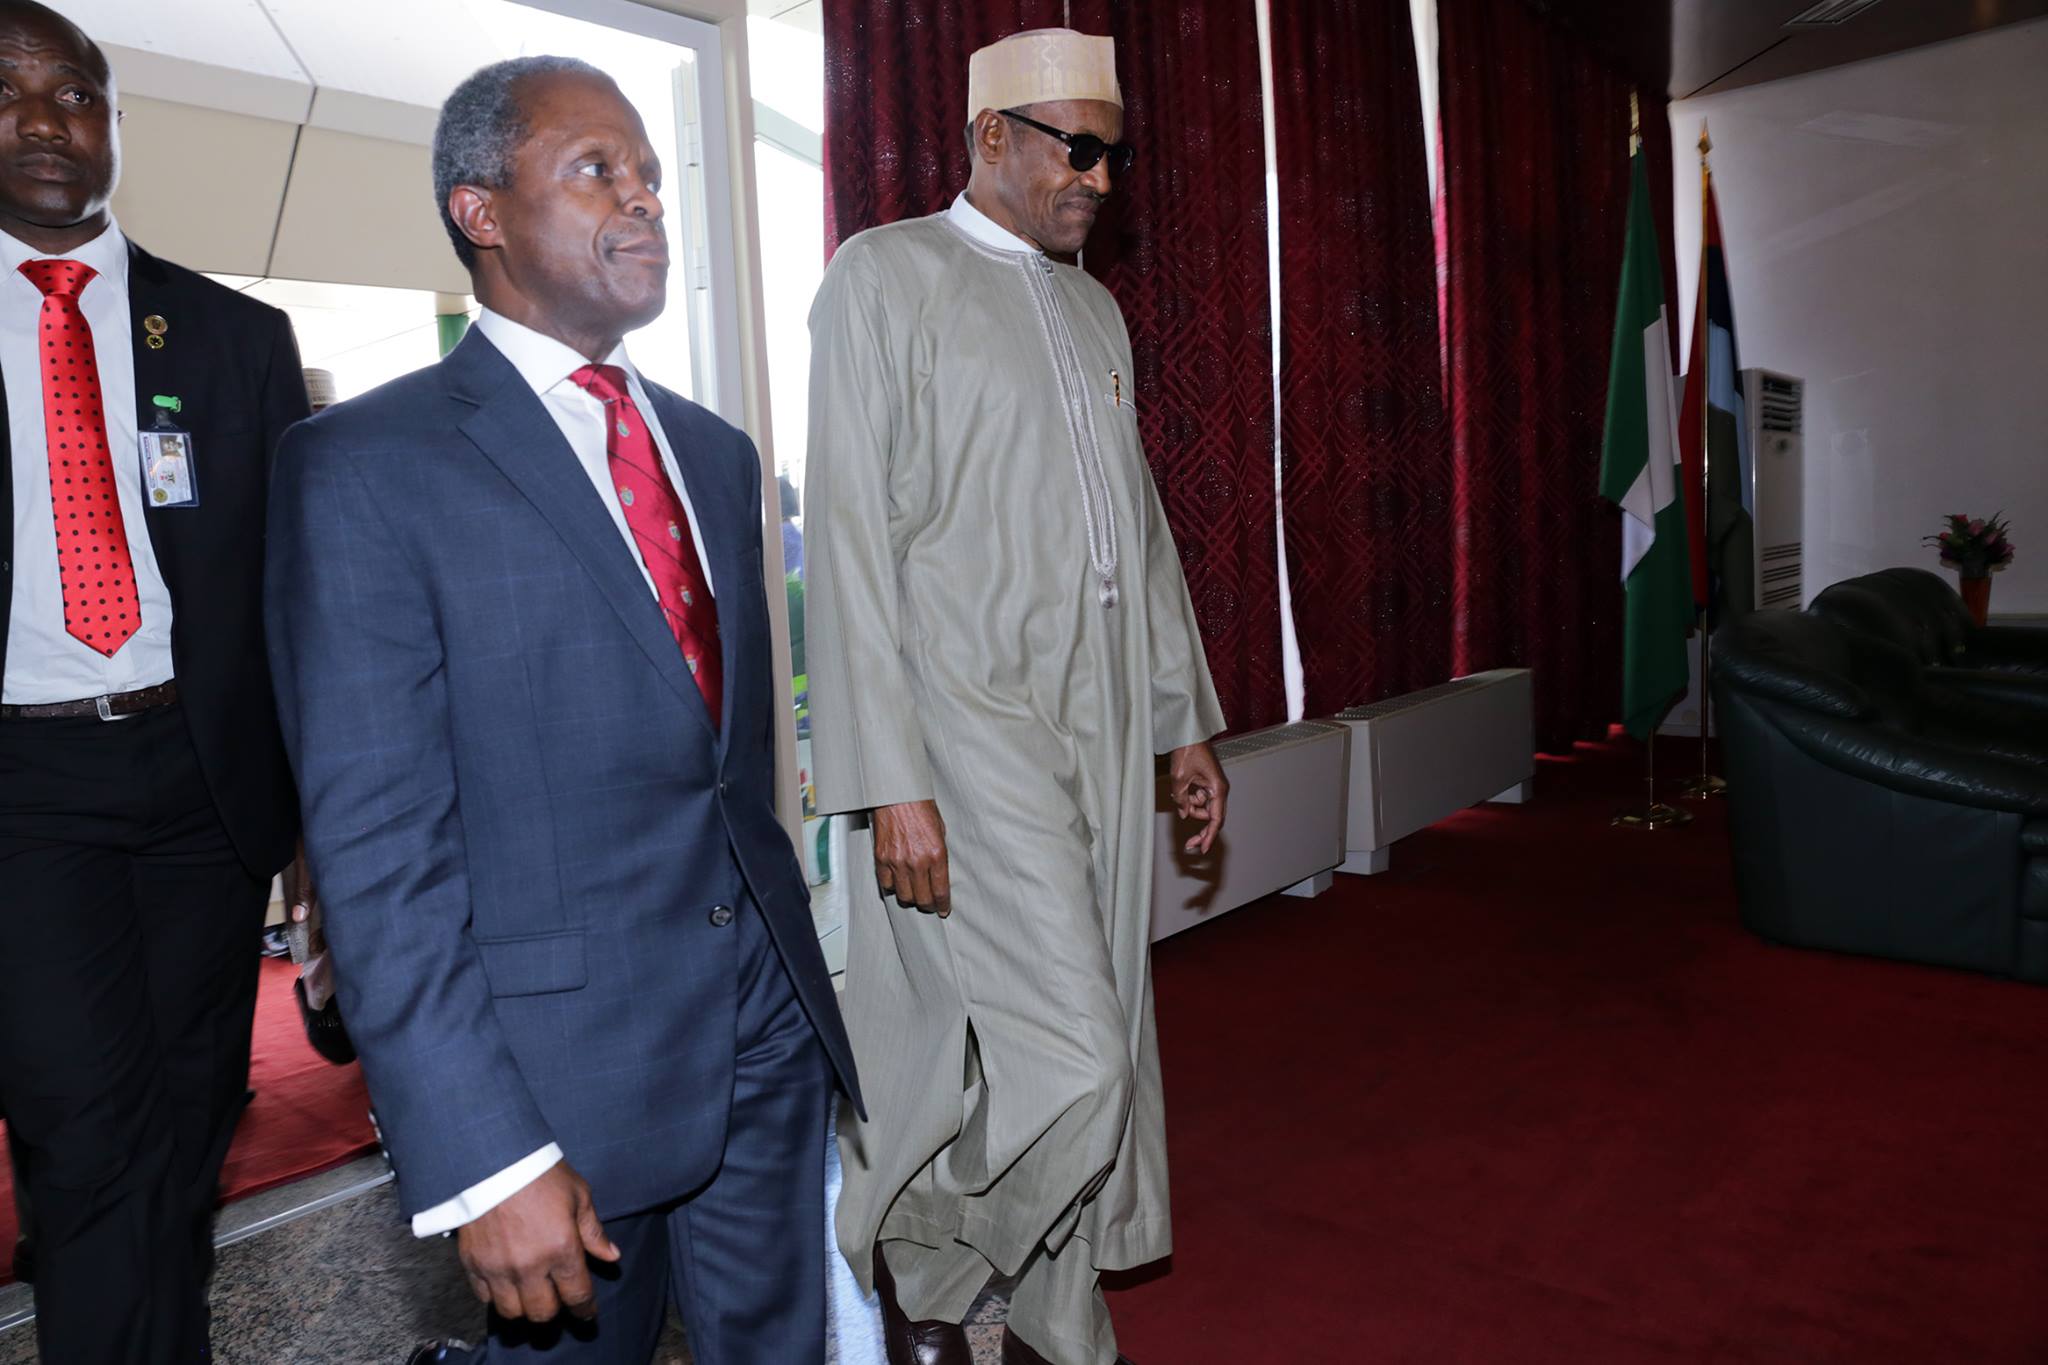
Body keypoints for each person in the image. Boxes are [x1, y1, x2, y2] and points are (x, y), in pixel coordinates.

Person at [264, 55, 860, 1365]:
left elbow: (723, 770)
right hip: (556, 1083)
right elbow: (377, 853)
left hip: (762, 1032)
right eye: (598, 169)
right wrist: (486, 1155)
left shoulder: (715, 453)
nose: (642, 198)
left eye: (648, 172)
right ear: (481, 211)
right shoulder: (365, 470)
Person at [805, 27, 1228, 1365]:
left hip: (1099, 708)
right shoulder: (881, 277)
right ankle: (928, 1253)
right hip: (965, 708)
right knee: (1077, 1055)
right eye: (1076, 147)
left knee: (1093, 1012)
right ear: (992, 137)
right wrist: (889, 776)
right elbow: (852, 539)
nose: (1101, 179)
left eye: (1115, 152)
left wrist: (1180, 720)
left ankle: (1049, 1304)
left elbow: (1138, 530)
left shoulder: (1093, 307)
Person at [0, 2, 311, 1359]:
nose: (43, 124)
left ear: (110, 120)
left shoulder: (233, 338)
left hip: (203, 785)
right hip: (25, 792)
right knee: (81, 1133)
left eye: (73, 96)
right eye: (5, 96)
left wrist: (315, 825)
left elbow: (297, 600)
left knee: (190, 1118)